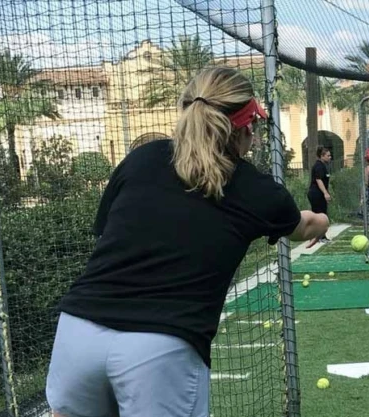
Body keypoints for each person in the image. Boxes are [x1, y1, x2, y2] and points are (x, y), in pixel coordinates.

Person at [45, 67, 330, 417]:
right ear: (244, 127)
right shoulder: (255, 189)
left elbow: (109, 234)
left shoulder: (141, 159)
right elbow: (303, 227)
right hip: (159, 346)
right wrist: (324, 219)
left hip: (78, 331)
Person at [307, 146, 332, 242]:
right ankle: (319, 237)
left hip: (320, 194)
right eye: (328, 156)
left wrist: (327, 193)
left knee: (323, 215)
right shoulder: (318, 166)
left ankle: (320, 236)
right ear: (322, 156)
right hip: (316, 194)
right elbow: (318, 180)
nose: (330, 157)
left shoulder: (323, 166)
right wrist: (325, 193)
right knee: (320, 216)